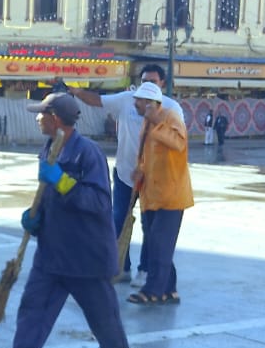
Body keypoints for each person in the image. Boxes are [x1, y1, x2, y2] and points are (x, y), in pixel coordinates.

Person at [0, 93, 133, 348]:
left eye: (41, 114)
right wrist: (35, 218)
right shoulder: (49, 148)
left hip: (85, 256)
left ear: (56, 119)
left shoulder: (87, 153)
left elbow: (98, 202)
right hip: (52, 251)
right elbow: (48, 196)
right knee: (33, 311)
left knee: (102, 318)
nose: (37, 118)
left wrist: (61, 181)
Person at [63, 64, 183, 284]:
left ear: (162, 84)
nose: (147, 85)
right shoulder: (128, 99)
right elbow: (98, 101)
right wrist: (78, 92)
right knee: (117, 220)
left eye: (153, 82)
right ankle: (120, 266)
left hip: (153, 180)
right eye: (144, 80)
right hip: (125, 174)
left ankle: (145, 270)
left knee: (149, 226)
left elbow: (178, 141)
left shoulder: (171, 107)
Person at [127, 81, 193, 306]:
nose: (135, 104)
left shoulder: (171, 117)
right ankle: (169, 289)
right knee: (157, 243)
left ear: (150, 103)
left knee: (159, 245)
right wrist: (140, 169)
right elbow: (149, 154)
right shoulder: (147, 122)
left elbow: (179, 144)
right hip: (152, 193)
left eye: (139, 101)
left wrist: (157, 122)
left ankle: (153, 290)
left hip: (171, 194)